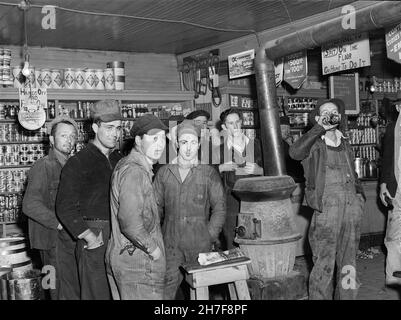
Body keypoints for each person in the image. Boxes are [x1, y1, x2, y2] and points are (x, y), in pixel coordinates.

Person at [289, 98, 365, 300]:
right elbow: (294, 153)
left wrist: (359, 197)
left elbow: (353, 174)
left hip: (351, 209)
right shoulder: (313, 144)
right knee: (324, 263)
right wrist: (318, 129)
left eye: (334, 111)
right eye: (325, 112)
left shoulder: (345, 141)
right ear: (317, 118)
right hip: (327, 212)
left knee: (349, 262)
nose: (331, 114)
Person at [56, 100, 123, 300]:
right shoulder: (78, 162)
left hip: (119, 235)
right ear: (95, 127)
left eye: (118, 128)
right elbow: (64, 207)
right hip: (95, 238)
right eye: (109, 128)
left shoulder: (119, 159)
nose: (115, 133)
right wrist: (89, 237)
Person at [154, 120, 226, 299]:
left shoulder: (208, 173)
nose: (188, 148)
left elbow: (220, 208)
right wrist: (156, 238)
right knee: (165, 291)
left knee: (200, 292)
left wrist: (209, 235)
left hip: (199, 243)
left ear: (199, 144)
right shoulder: (164, 173)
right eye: (184, 142)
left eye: (193, 142)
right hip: (170, 244)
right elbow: (154, 208)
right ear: (177, 143)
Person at [106, 114, 168, 300]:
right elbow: (130, 222)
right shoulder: (135, 171)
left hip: (126, 260)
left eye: (163, 139)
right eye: (154, 138)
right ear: (139, 140)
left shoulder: (128, 165)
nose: (160, 144)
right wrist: (154, 250)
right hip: (138, 265)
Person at [22, 116, 79, 300]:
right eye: (63, 135)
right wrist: (60, 223)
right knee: (57, 290)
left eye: (72, 136)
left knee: (68, 289)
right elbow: (29, 205)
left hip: (69, 241)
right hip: (52, 242)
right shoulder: (42, 166)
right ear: (52, 140)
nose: (69, 140)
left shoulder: (72, 166)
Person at [213, 108, 263, 250]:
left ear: (241, 122)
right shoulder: (218, 151)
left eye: (237, 122)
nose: (235, 127)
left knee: (257, 241)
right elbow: (206, 177)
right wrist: (221, 168)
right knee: (233, 244)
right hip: (231, 204)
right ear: (224, 127)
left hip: (256, 201)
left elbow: (274, 172)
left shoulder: (258, 145)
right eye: (230, 123)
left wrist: (259, 170)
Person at [379, 99, 401, 286]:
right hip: (397, 189)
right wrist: (383, 184)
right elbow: (387, 158)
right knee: (393, 233)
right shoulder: (392, 128)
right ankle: (394, 275)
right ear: (398, 107)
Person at [280, 116, 304, 183]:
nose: (287, 131)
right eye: (283, 128)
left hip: (295, 178)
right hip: (287, 179)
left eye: (288, 128)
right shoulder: (278, 143)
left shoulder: (290, 142)